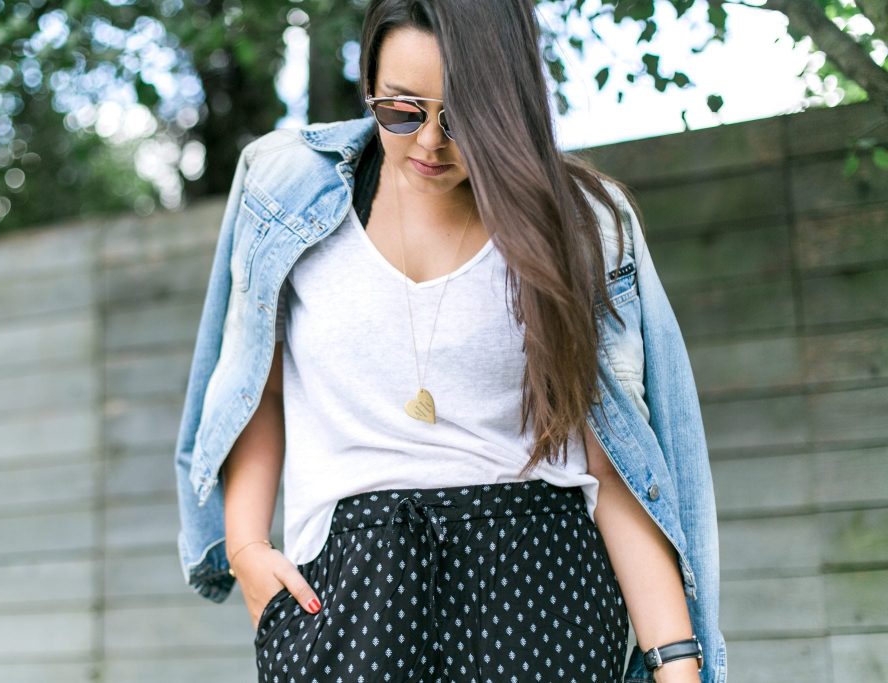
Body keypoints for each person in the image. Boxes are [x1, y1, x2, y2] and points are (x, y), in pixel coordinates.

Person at [172, 1, 727, 682]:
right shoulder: (285, 186)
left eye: (463, 118)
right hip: (349, 596)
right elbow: (260, 383)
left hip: (540, 590)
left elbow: (613, 467)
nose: (430, 142)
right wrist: (247, 547)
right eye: (401, 111)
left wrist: (676, 661)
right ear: (368, 84)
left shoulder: (579, 225)